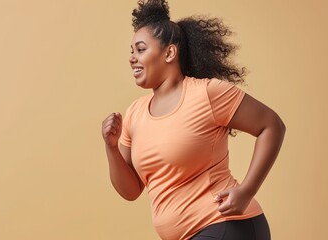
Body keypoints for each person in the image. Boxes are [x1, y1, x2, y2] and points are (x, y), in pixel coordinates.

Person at [101, 0, 286, 239]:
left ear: (169, 53)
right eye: (131, 51)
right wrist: (111, 147)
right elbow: (130, 191)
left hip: (226, 224)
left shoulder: (207, 93)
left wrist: (247, 191)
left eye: (141, 49)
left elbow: (271, 125)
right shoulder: (135, 113)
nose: (132, 58)